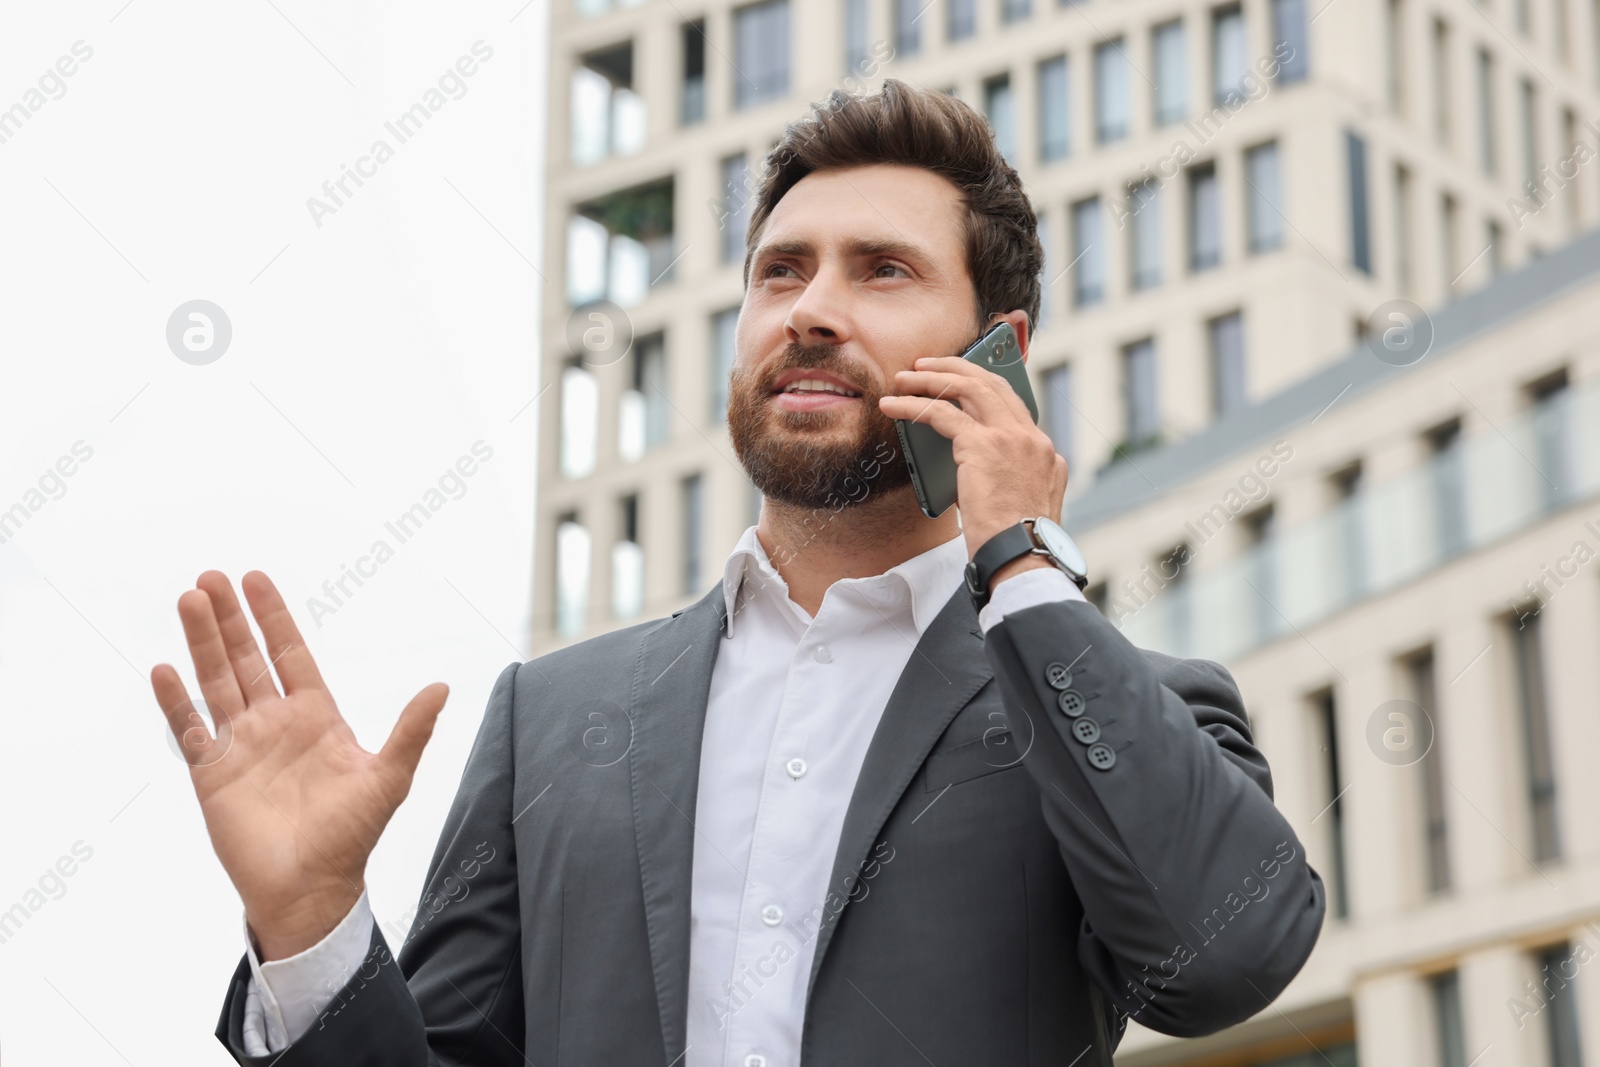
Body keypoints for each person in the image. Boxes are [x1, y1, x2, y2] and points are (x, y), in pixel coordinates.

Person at [153, 79, 1324, 1067]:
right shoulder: (551, 722)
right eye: (779, 272)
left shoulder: (1124, 707)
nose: (809, 309)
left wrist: (1020, 562)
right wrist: (311, 925)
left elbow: (1221, 960)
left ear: (995, 354)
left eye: (880, 271)